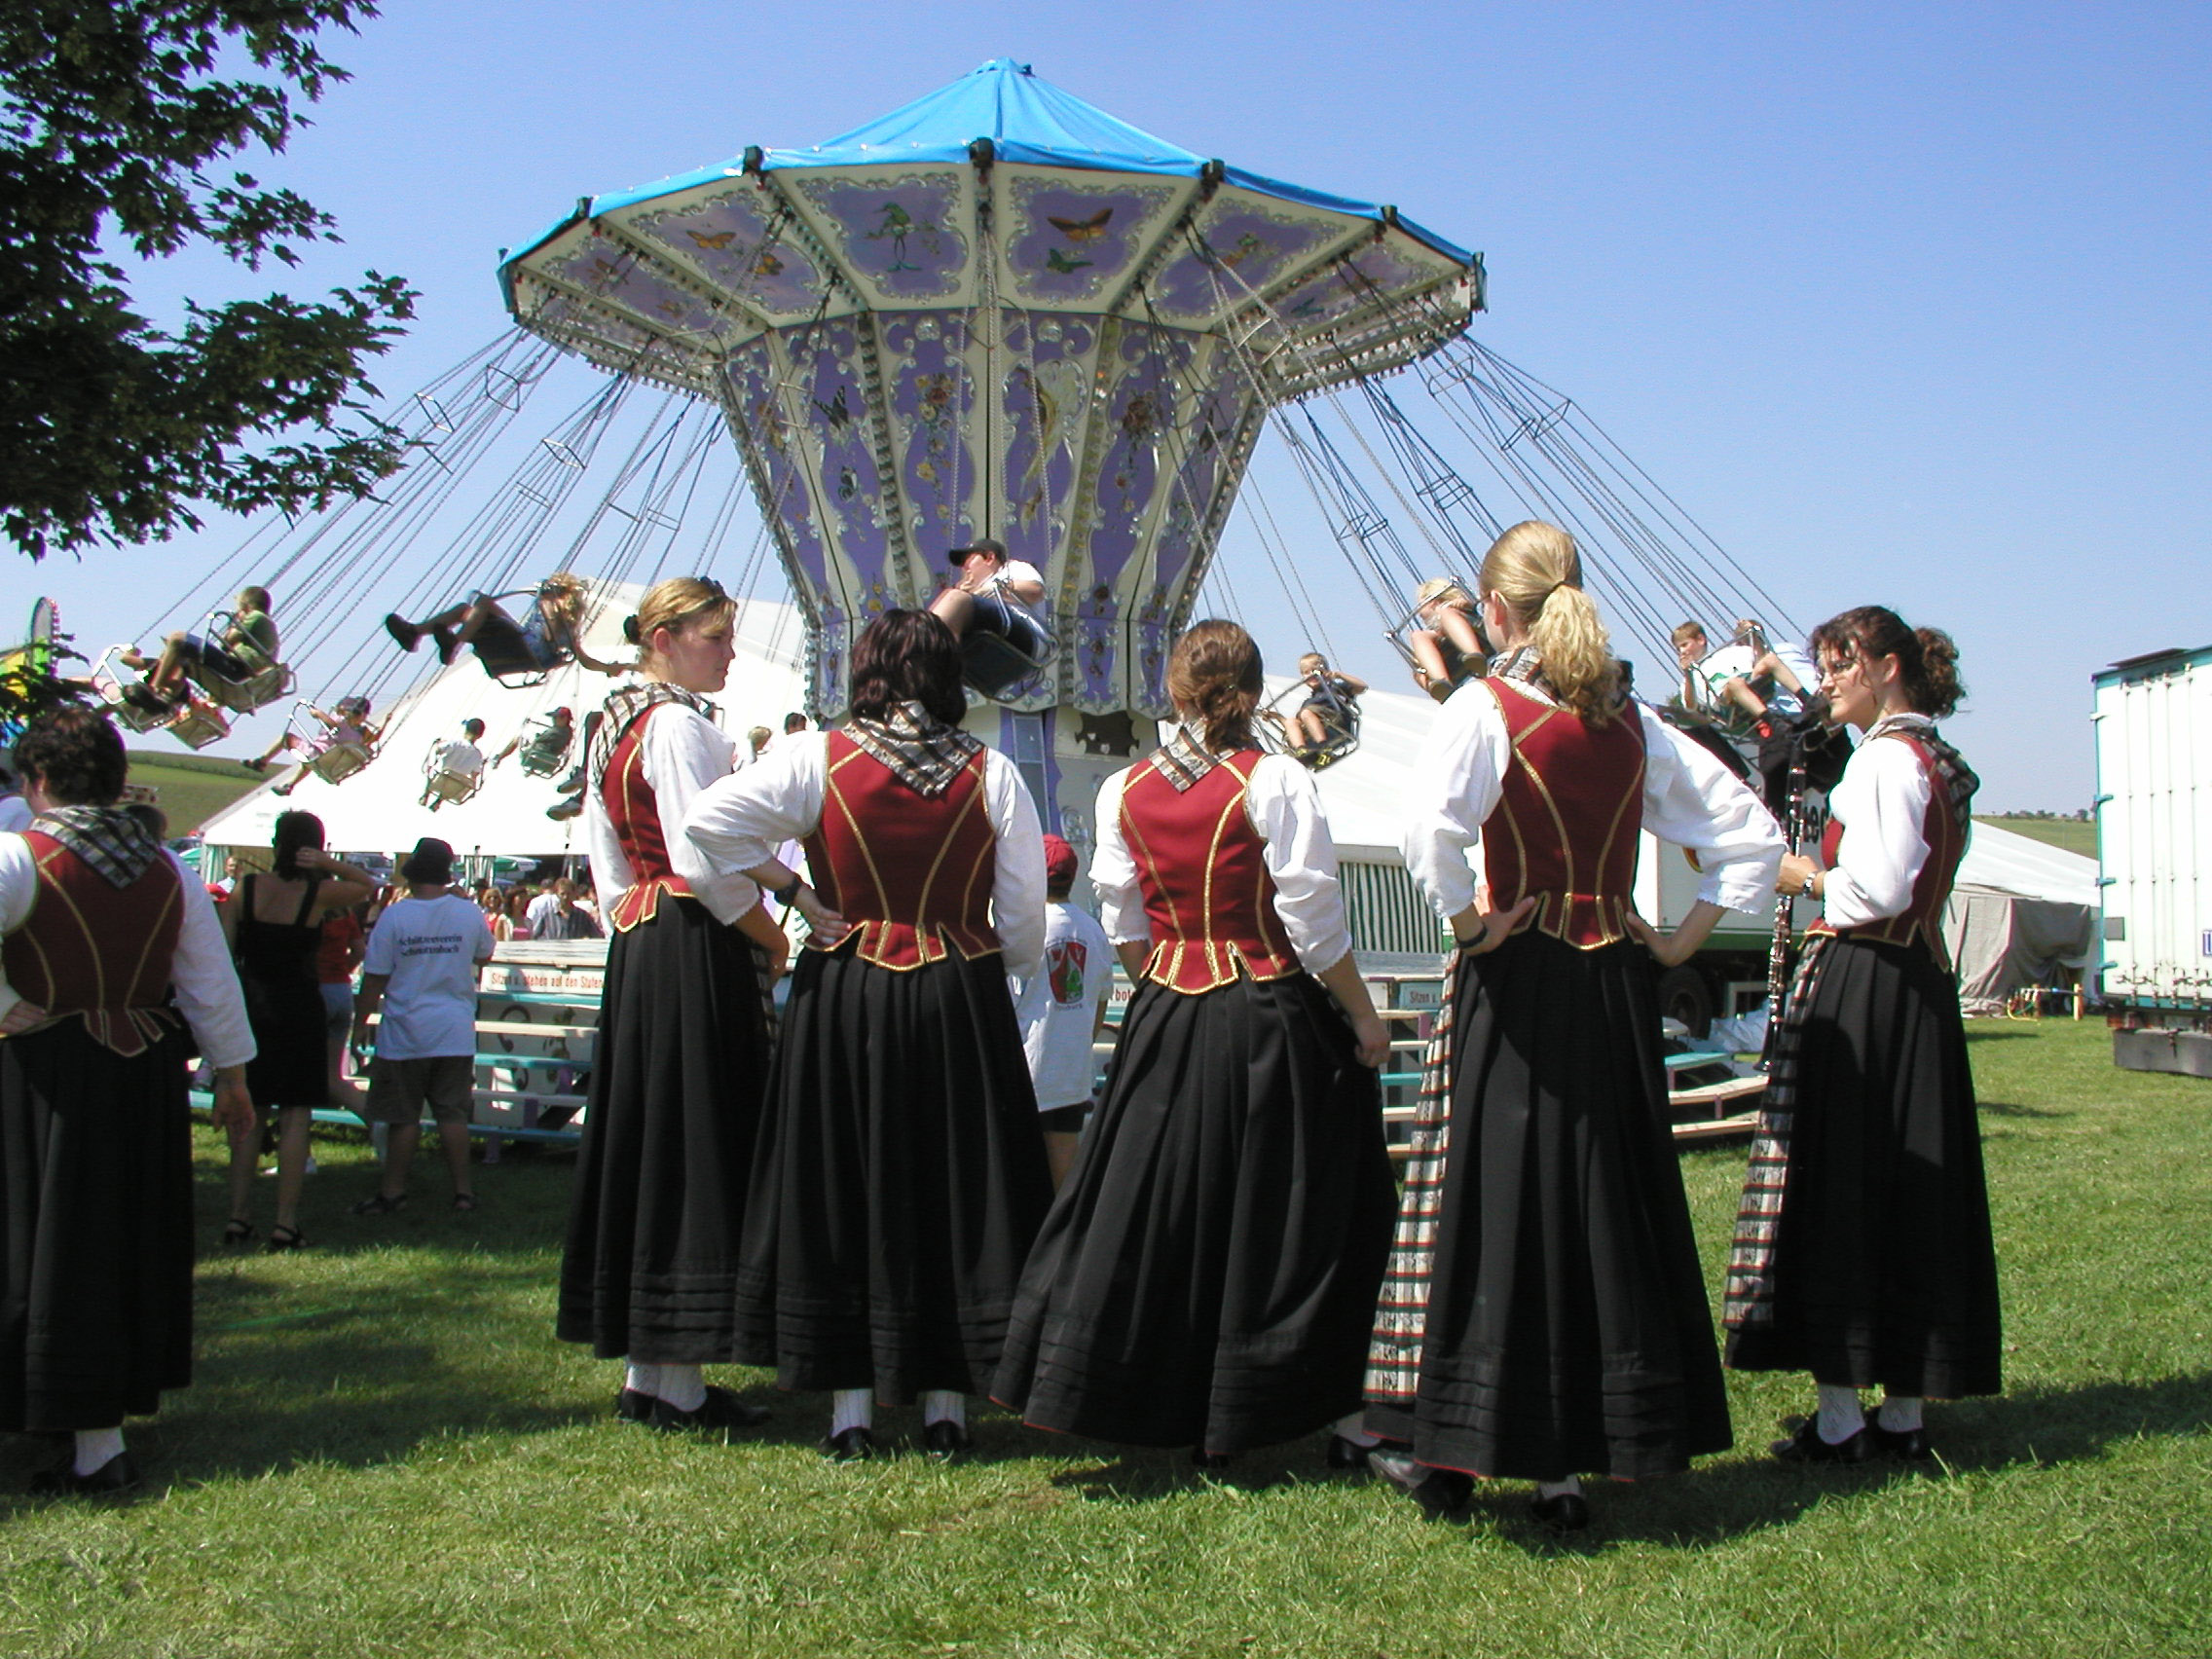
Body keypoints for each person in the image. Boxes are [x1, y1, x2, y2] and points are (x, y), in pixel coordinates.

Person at [1369, 521, 1784, 1531]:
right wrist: (1680, 944)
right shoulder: (1635, 723)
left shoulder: (1487, 707)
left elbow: (1426, 828)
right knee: (1600, 1200)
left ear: (1497, 612)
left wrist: (1470, 922)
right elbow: (1756, 837)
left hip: (1517, 980)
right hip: (1612, 989)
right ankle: (1581, 1458)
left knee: (1497, 1202)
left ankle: (1468, 1449)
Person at [994, 620, 1398, 1468]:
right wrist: (1363, 1016)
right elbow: (1313, 920)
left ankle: (1150, 1392)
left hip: (1167, 1016)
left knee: (1154, 1207)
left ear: (1173, 693)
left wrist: (1163, 981)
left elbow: (1124, 919)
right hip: (1266, 1010)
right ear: (1252, 690)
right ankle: (1333, 1409)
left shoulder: (1123, 788)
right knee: (1305, 1204)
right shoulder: (1275, 778)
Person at [682, 608, 1051, 1460]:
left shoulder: (816, 757)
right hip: (957, 992)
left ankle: (850, 1410)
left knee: (843, 1176)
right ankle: (947, 1407)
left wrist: (798, 894)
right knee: (956, 1184)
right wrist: (1005, 963)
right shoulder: (991, 770)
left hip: (846, 991)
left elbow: (708, 823)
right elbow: (1024, 912)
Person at [1723, 607, 2000, 1463]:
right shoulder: (1938, 760)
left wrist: (1802, 873)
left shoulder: (1883, 759)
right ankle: (1904, 1410)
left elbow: (1873, 891)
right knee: (1915, 1187)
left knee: (1838, 1179)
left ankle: (1842, 1417)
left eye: (1841, 665)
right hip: (1916, 988)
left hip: (1864, 982)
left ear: (1885, 667)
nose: (1829, 680)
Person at [0, 709, 256, 1493]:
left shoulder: (19, 855)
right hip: (142, 1078)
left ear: (37, 782)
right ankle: (95, 1440)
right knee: (113, 1244)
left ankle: (72, 1429)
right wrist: (234, 1078)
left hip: (44, 1073)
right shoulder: (167, 866)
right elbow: (209, 979)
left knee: (39, 1243)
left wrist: (10, 1006)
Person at [558, 576, 792, 1436]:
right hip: (694, 938)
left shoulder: (612, 723)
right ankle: (679, 1381)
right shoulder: (679, 723)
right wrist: (770, 938)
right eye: (715, 636)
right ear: (665, 637)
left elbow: (605, 853)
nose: (728, 651)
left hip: (644, 941)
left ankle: (648, 1370)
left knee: (649, 1136)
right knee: (693, 1138)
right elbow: (706, 850)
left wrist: (630, 910)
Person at [219, 811, 379, 1250]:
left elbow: (225, 953)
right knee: (295, 1115)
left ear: (276, 844)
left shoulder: (245, 889)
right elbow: (368, 886)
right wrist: (326, 862)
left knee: (249, 1115)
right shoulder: (319, 893)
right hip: (299, 1006)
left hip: (253, 1005)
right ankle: (285, 1222)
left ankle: (238, 1216)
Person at [350, 837, 495, 1216]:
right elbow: (486, 953)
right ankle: (463, 1192)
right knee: (452, 1114)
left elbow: (375, 977)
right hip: (454, 1027)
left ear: (412, 875)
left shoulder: (395, 916)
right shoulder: (469, 912)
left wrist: (360, 1022)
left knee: (403, 1116)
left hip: (406, 1030)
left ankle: (393, 1191)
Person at [1012, 833, 1113, 1189]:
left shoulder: (1023, 930)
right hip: (1071, 1070)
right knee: (1065, 1160)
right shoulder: (1092, 929)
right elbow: (1100, 1002)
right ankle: (1067, 1238)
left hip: (1027, 1068)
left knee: (1023, 1170)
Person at [385, 571, 628, 679]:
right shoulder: (564, 626)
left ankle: (454, 643)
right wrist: (608, 668)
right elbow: (584, 660)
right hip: (521, 639)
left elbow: (555, 634)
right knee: (468, 607)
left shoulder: (560, 621)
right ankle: (414, 633)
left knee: (480, 602)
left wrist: (547, 599)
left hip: (525, 646)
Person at [927, 536, 1054, 697]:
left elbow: (1035, 591)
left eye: (968, 560)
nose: (963, 567)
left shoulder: (1013, 568)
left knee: (955, 598)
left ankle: (931, 664)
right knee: (947, 599)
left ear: (989, 558)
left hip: (1024, 635)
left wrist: (982, 591)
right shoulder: (970, 592)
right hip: (989, 640)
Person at [122, 585, 279, 711]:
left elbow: (227, 641)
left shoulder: (256, 616)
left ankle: (155, 688)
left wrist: (236, 622)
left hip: (238, 668)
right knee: (184, 659)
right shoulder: (267, 623)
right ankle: (167, 697)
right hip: (241, 670)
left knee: (177, 639)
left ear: (245, 605)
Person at [249, 696, 376, 796]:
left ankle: (262, 761)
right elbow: (374, 739)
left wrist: (316, 712)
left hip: (316, 753)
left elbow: (331, 723)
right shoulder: (359, 736)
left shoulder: (341, 722)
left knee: (287, 739)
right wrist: (386, 722)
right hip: (329, 764)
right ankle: (290, 786)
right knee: (311, 762)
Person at [316, 902, 368, 1110]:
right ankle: (376, 1122)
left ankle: (291, 1126)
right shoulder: (346, 912)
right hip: (341, 990)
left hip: (316, 989)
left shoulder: (309, 911)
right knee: (333, 1077)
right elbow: (359, 950)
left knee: (301, 1071)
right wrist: (342, 970)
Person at [1408, 578, 1489, 703]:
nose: (1419, 613)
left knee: (1446, 614)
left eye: (1421, 605)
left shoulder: (1450, 609)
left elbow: (1471, 605)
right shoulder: (1432, 630)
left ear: (1433, 602)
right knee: (1417, 636)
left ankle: (1475, 655)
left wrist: (1463, 603)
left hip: (1476, 635)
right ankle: (1441, 683)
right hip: (1450, 650)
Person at [1286, 651, 1366, 757]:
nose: (1311, 675)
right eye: (1306, 672)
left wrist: (1339, 675)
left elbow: (1362, 687)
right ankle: (1301, 749)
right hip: (1315, 724)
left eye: (1315, 671)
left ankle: (1323, 745)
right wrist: (1275, 717)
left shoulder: (1336, 689)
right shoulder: (1308, 702)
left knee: (1306, 713)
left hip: (1336, 721)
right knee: (1291, 721)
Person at [421, 719, 487, 809]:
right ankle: (439, 801)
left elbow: (437, 750)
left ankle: (426, 794)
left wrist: (437, 743)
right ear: (480, 736)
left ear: (466, 730)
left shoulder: (455, 743)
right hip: (454, 789)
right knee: (454, 781)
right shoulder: (478, 755)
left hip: (438, 780)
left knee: (436, 768)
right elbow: (474, 775)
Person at [493, 706, 576, 775]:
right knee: (527, 739)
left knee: (518, 738)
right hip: (547, 753)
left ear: (564, 718)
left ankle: (499, 757)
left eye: (555, 717)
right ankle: (531, 768)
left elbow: (539, 740)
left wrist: (534, 738)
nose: (553, 720)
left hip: (540, 752)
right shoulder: (568, 731)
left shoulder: (557, 731)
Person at [535, 877, 604, 942]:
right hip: (553, 952)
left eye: (568, 893)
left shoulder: (582, 915)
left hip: (574, 952)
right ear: (556, 894)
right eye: (562, 894)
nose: (565, 897)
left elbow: (596, 935)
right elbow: (535, 936)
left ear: (574, 894)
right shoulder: (547, 915)